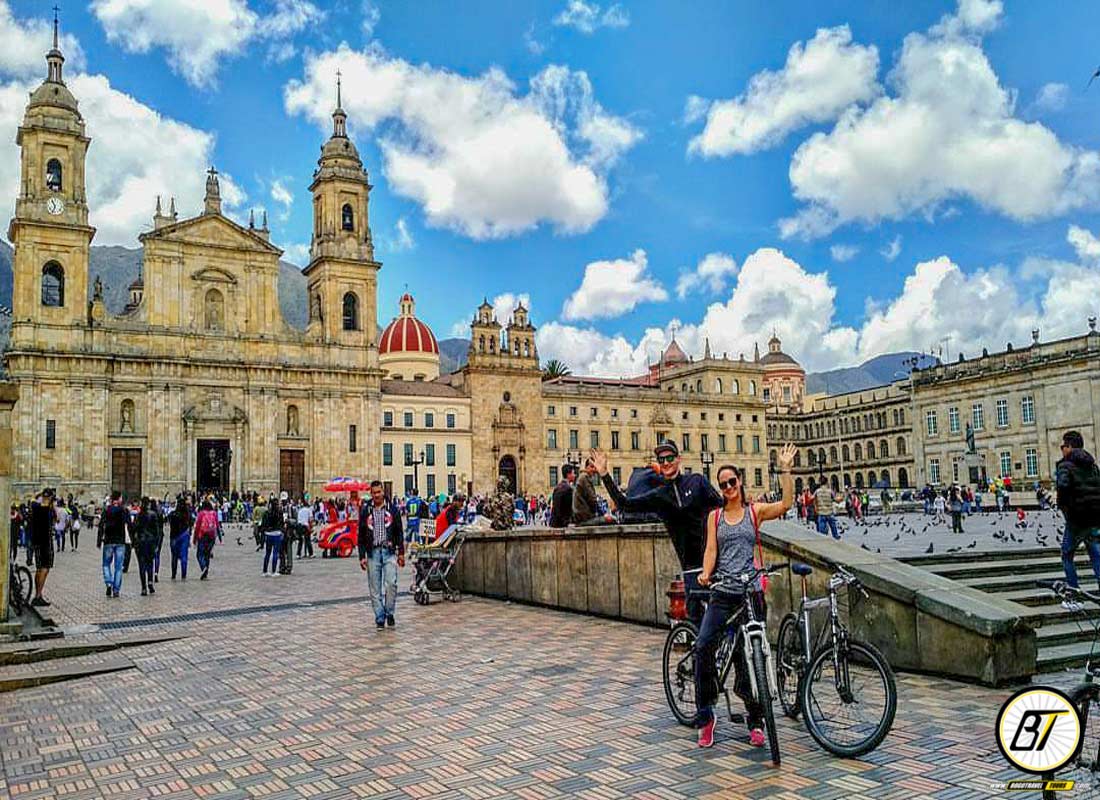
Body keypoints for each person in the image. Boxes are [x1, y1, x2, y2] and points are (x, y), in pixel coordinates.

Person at [695, 445, 795, 749]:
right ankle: (706, 715)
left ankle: (756, 720)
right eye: (722, 484)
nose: (727, 488)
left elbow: (786, 504)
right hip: (724, 591)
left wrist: (786, 470)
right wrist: (705, 571)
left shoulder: (755, 512)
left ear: (740, 482)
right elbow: (712, 549)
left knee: (749, 658)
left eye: (731, 482)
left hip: (751, 593)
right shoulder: (715, 517)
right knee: (702, 647)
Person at [591, 441, 722, 624]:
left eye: (670, 458)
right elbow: (624, 503)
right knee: (699, 631)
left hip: (717, 561)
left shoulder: (698, 481)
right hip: (692, 568)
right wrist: (604, 474)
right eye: (662, 459)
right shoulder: (660, 495)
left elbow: (722, 510)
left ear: (679, 459)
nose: (666, 462)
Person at [1056, 430, 1100, 610]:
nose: (1061, 450)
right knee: (1096, 557)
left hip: (1076, 522)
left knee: (1067, 556)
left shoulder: (1065, 466)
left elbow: (1063, 492)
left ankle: (1074, 596)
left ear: (1070, 446)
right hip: (1094, 521)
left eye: (1062, 447)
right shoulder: (1093, 466)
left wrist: (1067, 511)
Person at [358, 480, 405, 629]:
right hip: (372, 552)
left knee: (391, 583)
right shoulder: (366, 510)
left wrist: (401, 553)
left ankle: (389, 612)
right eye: (374, 493)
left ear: (383, 492)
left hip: (389, 551)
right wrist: (361, 556)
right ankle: (379, 617)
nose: (377, 495)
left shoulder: (393, 509)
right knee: (374, 588)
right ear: (371, 494)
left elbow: (399, 531)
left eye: (379, 492)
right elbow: (361, 534)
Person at [98, 491, 129, 598]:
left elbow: (101, 525)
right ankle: (116, 590)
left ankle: (109, 583)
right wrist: (133, 540)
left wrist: (99, 540)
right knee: (118, 567)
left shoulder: (106, 510)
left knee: (106, 564)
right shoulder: (124, 510)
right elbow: (129, 525)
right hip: (120, 541)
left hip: (108, 541)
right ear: (119, 498)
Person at [28, 489, 56, 607]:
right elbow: (56, 519)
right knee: (45, 568)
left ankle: (37, 595)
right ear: (50, 499)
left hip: (36, 542)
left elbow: (32, 501)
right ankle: (39, 595)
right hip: (46, 543)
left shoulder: (35, 507)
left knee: (39, 568)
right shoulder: (48, 511)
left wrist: (39, 495)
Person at [133, 497, 160, 596]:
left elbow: (134, 529)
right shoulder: (153, 515)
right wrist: (156, 544)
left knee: (141, 565)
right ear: (148, 504)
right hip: (150, 542)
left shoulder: (138, 516)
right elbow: (156, 531)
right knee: (150, 564)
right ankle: (150, 583)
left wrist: (134, 543)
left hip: (140, 543)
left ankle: (143, 588)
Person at [193, 500, 219, 580]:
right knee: (207, 555)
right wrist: (219, 537)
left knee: (199, 554)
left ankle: (203, 567)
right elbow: (217, 526)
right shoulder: (214, 513)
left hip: (203, 536)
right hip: (211, 536)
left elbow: (197, 527)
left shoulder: (201, 514)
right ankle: (205, 573)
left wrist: (194, 538)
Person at [571, 458, 602, 525]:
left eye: (595, 467)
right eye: (592, 467)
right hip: (584, 517)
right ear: (586, 467)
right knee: (611, 520)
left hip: (581, 515)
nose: (594, 469)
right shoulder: (585, 477)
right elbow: (592, 498)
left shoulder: (583, 476)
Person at [261, 496, 285, 577]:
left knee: (267, 553)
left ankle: (264, 571)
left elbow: (263, 525)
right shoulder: (279, 512)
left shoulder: (267, 513)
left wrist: (264, 532)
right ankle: (274, 571)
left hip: (268, 534)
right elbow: (282, 523)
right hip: (277, 534)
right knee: (275, 553)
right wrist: (282, 532)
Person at [169, 496, 192, 580]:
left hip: (174, 537)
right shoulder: (187, 515)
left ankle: (173, 574)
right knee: (184, 556)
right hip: (184, 535)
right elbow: (190, 525)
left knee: (174, 556)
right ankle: (183, 574)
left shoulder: (172, 514)